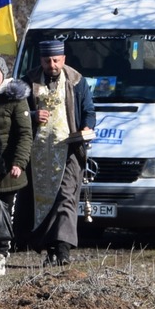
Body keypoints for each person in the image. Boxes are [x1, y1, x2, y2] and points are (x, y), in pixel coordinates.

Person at [22, 37, 94, 267]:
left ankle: (63, 249)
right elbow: (18, 112)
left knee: (65, 197)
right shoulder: (28, 81)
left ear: (63, 59)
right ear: (40, 60)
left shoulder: (76, 81)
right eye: (46, 61)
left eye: (55, 60)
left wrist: (87, 126)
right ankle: (49, 247)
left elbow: (88, 110)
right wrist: (33, 116)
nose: (51, 65)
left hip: (69, 149)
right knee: (43, 200)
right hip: (38, 153)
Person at [0, 54, 32, 274]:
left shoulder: (15, 99)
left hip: (8, 169)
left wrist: (19, 162)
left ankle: (0, 254)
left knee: (3, 212)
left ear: (4, 75)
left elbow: (25, 133)